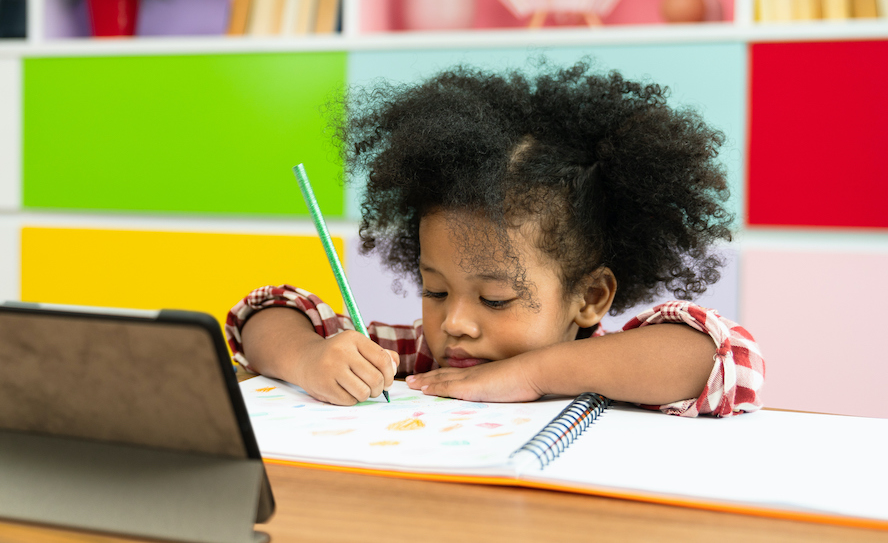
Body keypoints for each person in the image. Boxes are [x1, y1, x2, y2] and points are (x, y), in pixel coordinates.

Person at [225, 62, 764, 417]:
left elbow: (732, 359)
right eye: (435, 291)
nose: (453, 323)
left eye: (494, 299)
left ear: (590, 297)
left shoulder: (619, 370)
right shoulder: (417, 361)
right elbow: (267, 312)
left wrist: (531, 375)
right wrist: (307, 361)